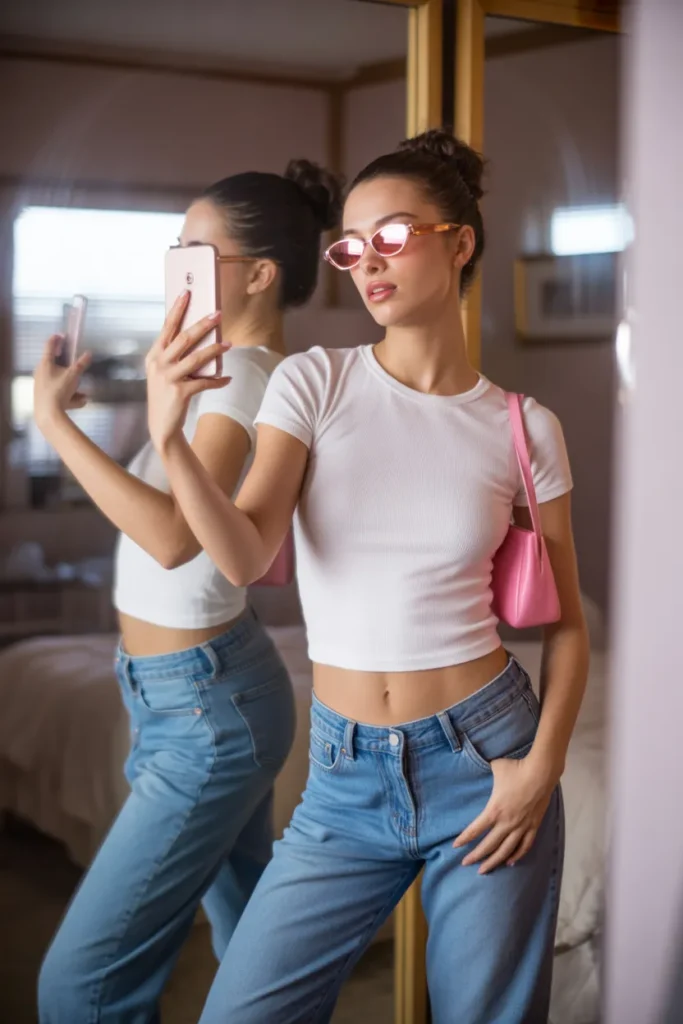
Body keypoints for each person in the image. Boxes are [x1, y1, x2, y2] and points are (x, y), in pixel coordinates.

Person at [145, 130, 589, 1024]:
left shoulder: (521, 426)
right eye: (351, 247)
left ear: (459, 243)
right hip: (343, 777)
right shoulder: (315, 382)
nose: (366, 262)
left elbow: (569, 627)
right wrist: (167, 437)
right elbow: (240, 553)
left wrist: (538, 771)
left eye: (392, 236)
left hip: (486, 758)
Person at [32, 159, 342, 1024]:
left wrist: (56, 423)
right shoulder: (220, 368)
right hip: (190, 694)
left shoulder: (245, 375)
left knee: (78, 988)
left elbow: (170, 537)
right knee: (254, 957)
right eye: (175, 246)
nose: (176, 263)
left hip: (206, 710)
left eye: (195, 249)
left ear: (259, 273)